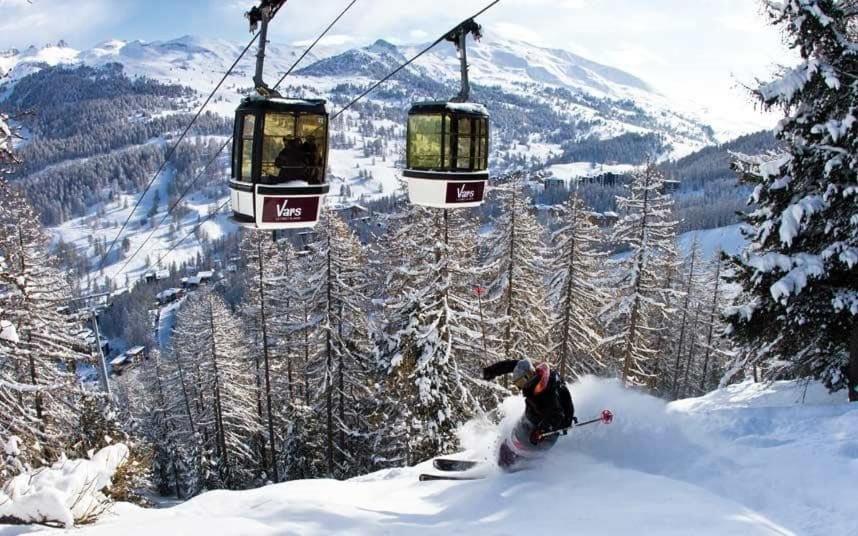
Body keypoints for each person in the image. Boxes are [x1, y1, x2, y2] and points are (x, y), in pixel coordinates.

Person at [482, 359, 575, 469]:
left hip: (546, 433)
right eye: (518, 383)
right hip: (535, 422)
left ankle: (514, 471)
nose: (520, 387)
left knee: (510, 451)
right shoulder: (536, 374)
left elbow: (557, 415)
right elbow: (513, 365)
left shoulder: (543, 394)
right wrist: (492, 371)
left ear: (529, 375)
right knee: (507, 444)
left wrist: (540, 431)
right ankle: (512, 462)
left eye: (521, 382)